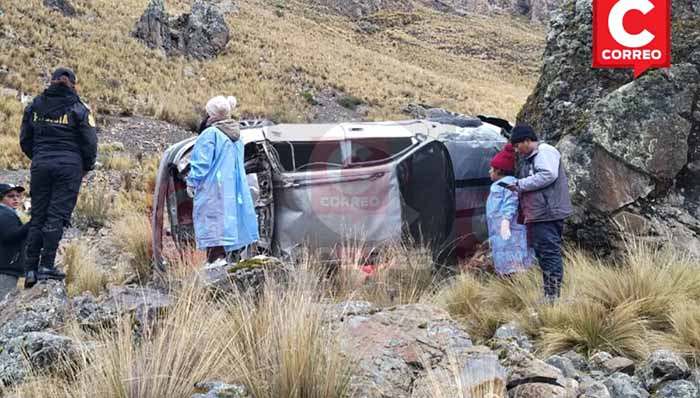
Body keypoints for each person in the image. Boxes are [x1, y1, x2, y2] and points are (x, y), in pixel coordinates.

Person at [19, 67, 98, 288]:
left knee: (38, 214)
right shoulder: (79, 108)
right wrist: (86, 165)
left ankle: (30, 270)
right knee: (57, 215)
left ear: (51, 81)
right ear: (73, 83)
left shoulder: (35, 105)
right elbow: (90, 142)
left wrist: (39, 156)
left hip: (41, 164)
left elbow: (25, 138)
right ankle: (47, 265)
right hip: (68, 167)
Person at [186, 95, 259, 264]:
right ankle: (229, 259)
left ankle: (215, 262)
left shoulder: (210, 134)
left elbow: (201, 163)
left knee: (212, 225)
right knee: (229, 224)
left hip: (213, 188)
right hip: (233, 188)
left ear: (211, 114)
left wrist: (192, 182)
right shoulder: (237, 136)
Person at [507, 124, 573, 300]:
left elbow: (548, 175)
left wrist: (520, 185)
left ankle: (552, 296)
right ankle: (550, 294)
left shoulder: (545, 151)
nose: (516, 149)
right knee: (544, 253)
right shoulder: (533, 156)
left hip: (547, 212)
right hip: (540, 213)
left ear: (527, 141)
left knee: (548, 252)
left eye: (517, 145)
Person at [486, 144, 534, 276]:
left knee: (513, 256)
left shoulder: (507, 183)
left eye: (492, 169)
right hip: (499, 230)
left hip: (510, 229)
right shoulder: (499, 184)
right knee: (504, 254)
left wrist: (506, 220)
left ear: (499, 171)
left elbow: (511, 201)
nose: (489, 171)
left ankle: (516, 280)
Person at [0, 184, 30, 299]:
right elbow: (10, 236)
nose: (16, 199)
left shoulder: (8, 213)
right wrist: (32, 224)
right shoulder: (5, 214)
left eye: (18, 196)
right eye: (10, 196)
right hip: (5, 269)